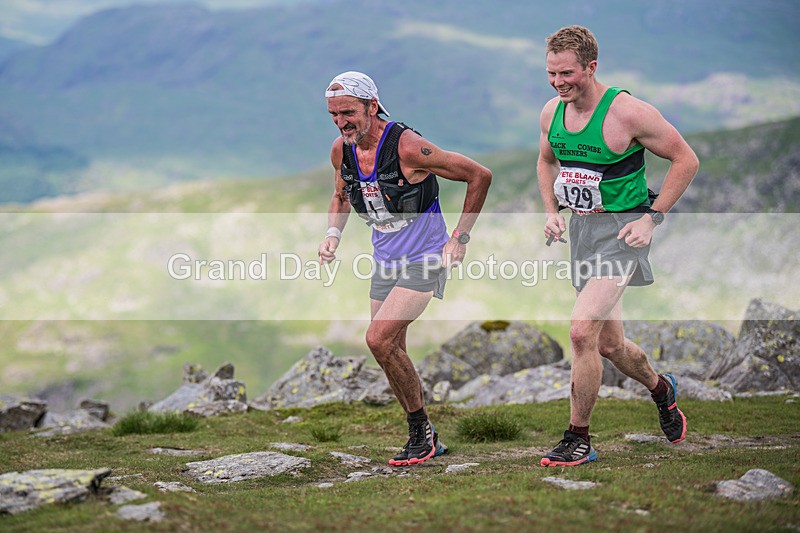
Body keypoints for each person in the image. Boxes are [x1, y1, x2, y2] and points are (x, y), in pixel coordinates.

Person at [536, 26, 699, 466]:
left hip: (623, 233)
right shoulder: (552, 112)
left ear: (591, 67)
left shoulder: (628, 113)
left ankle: (578, 438)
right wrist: (552, 211)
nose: (557, 82)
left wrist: (652, 218)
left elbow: (686, 159)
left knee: (580, 330)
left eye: (567, 73)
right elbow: (546, 161)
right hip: (583, 232)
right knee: (610, 346)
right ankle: (662, 390)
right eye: (551, 73)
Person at [319, 71, 492, 466]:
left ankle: (420, 432)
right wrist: (333, 234)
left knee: (378, 339)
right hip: (385, 260)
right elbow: (341, 195)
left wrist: (460, 237)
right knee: (391, 350)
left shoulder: (408, 147)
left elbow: (479, 175)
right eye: (333, 115)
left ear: (372, 107)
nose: (341, 122)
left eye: (348, 113)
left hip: (426, 257)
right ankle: (425, 435)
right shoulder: (342, 150)